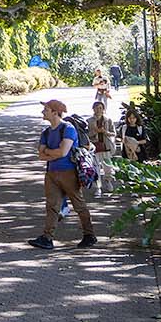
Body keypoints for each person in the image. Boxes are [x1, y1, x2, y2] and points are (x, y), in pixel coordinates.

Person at [29, 99, 96, 249]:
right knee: (52, 206)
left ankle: (89, 235)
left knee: (78, 204)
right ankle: (47, 237)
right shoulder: (46, 132)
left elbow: (63, 151)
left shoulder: (68, 128)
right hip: (51, 172)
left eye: (46, 109)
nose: (42, 112)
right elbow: (41, 155)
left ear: (54, 112)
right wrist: (53, 153)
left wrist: (48, 152)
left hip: (69, 172)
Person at [88, 98, 115, 197]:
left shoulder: (108, 120)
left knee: (108, 167)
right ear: (93, 109)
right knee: (96, 168)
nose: (98, 110)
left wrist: (105, 132)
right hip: (95, 147)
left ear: (103, 109)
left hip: (106, 146)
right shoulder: (89, 121)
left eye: (100, 108)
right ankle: (98, 187)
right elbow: (87, 135)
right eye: (96, 108)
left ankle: (108, 181)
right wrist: (95, 132)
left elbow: (113, 133)